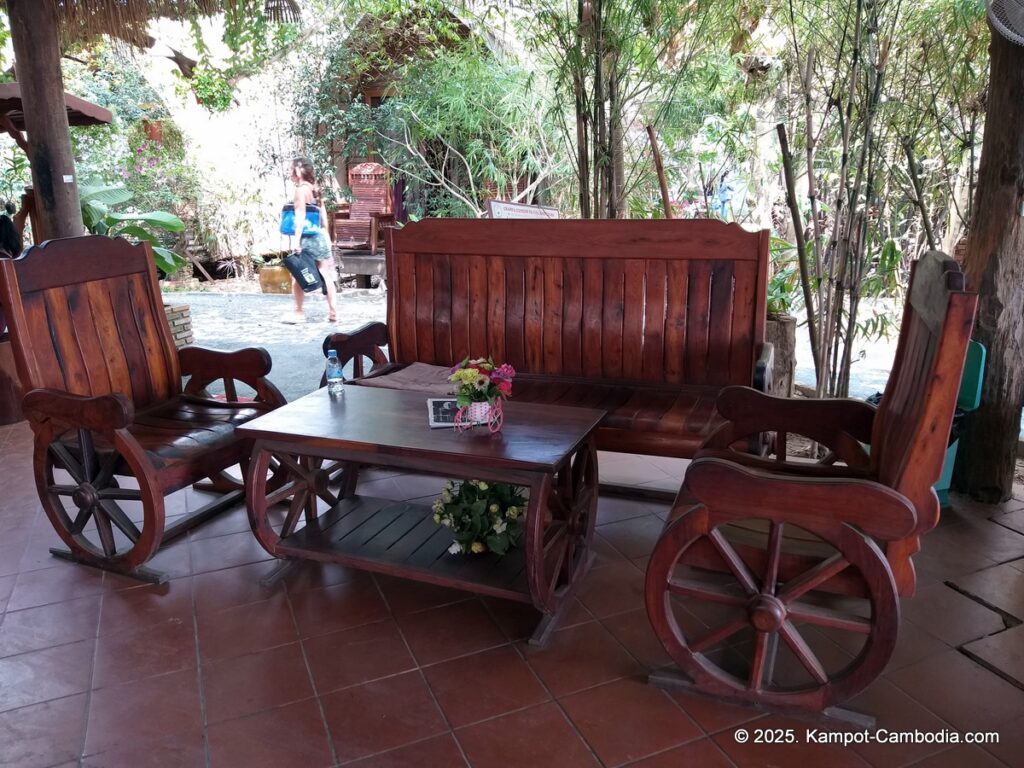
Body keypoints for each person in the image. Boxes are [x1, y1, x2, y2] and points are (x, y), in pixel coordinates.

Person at [283, 157, 338, 323]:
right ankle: (333, 312)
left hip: (307, 237)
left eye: (291, 169)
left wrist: (296, 242)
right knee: (325, 274)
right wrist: (327, 238)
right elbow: (323, 218)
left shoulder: (300, 191)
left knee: (298, 274)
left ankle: (299, 312)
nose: (289, 173)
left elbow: (300, 218)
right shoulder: (315, 189)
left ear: (298, 172)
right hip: (320, 236)